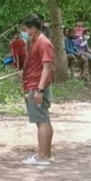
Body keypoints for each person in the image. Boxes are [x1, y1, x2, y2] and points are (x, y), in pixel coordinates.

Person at [18, 15, 55, 166]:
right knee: (44, 119)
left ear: (33, 29)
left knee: (41, 121)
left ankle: (43, 157)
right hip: (33, 84)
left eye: (24, 30)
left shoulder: (43, 43)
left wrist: (39, 90)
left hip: (37, 86)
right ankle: (47, 154)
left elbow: (47, 68)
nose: (23, 33)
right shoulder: (34, 42)